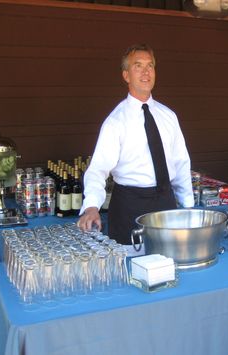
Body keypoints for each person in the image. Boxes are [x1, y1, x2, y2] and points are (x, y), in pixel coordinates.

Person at [77, 44, 194, 246]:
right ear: (126, 75)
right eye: (138, 66)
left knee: (168, 263)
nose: (146, 71)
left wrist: (189, 206)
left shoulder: (169, 116)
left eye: (150, 66)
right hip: (129, 206)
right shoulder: (115, 122)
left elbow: (181, 162)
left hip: (166, 203)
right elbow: (98, 169)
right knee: (132, 270)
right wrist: (91, 206)